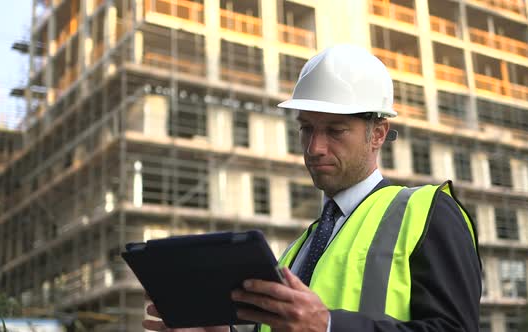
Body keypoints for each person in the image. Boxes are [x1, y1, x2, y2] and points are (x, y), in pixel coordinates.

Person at [143, 44, 482, 332]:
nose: (314, 147)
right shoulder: (295, 252)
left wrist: (329, 327)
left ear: (377, 134)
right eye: (306, 128)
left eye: (335, 131)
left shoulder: (427, 212)